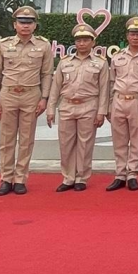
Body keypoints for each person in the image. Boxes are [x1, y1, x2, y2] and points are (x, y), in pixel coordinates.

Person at [0, 5, 53, 196]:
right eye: (22, 22)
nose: (25, 26)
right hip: (7, 94)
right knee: (7, 139)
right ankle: (6, 178)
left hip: (31, 95)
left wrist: (44, 98)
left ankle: (20, 179)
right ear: (15, 24)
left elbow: (47, 74)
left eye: (29, 22)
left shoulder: (43, 45)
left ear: (35, 25)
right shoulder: (3, 45)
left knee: (26, 139)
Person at [47, 23, 108, 192]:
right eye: (79, 40)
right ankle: (68, 177)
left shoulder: (101, 63)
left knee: (85, 144)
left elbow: (104, 90)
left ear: (93, 42)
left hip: (89, 105)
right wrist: (51, 109)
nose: (82, 43)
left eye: (86, 40)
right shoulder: (64, 62)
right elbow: (55, 87)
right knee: (66, 144)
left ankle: (81, 177)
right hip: (67, 105)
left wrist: (102, 111)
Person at [106, 17, 138, 192]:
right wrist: (109, 105)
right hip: (118, 99)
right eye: (132, 34)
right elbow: (111, 82)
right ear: (127, 35)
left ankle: (132, 174)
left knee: (136, 139)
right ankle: (120, 174)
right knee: (119, 140)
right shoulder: (117, 57)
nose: (135, 37)